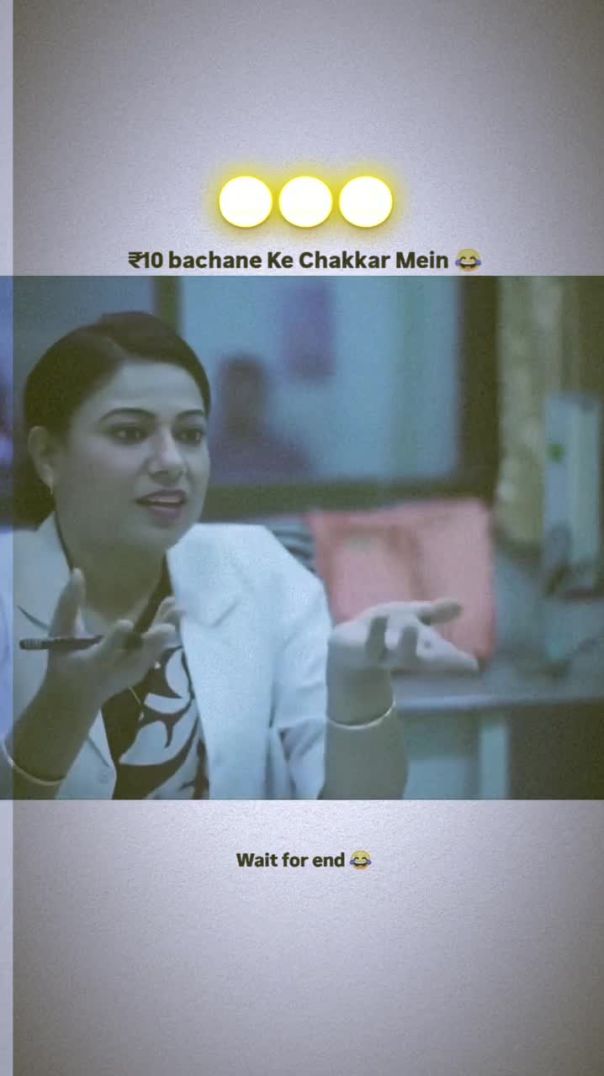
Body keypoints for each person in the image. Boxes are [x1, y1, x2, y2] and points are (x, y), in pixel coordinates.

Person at [0, 312, 477, 800]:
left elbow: (355, 819)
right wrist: (61, 710)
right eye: (129, 433)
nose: (171, 462)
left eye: (190, 434)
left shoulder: (261, 568)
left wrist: (359, 687)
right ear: (48, 456)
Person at [209, 355, 311, 484]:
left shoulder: (288, 459)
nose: (241, 404)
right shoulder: (204, 458)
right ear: (223, 397)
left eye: (249, 398)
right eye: (235, 394)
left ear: (262, 398)